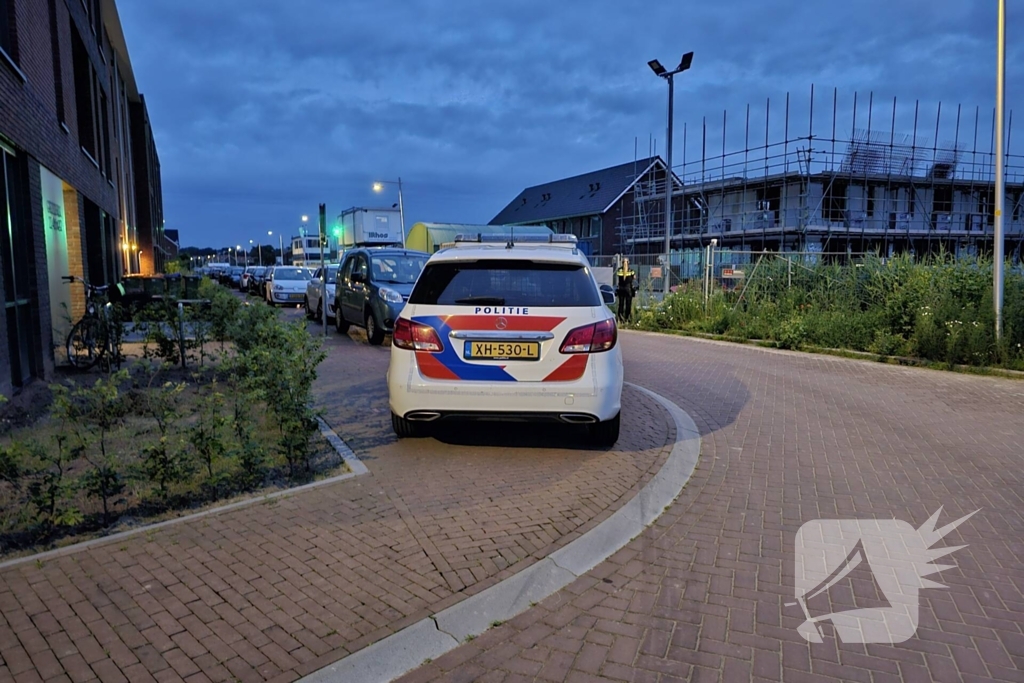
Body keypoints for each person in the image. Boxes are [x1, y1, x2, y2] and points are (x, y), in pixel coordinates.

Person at [615, 258, 637, 322]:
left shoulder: (619, 270)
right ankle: (627, 318)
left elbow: (618, 277)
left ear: (622, 263)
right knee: (628, 304)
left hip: (621, 289)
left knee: (621, 304)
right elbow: (634, 278)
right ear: (628, 263)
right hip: (628, 289)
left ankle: (620, 319)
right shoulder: (631, 270)